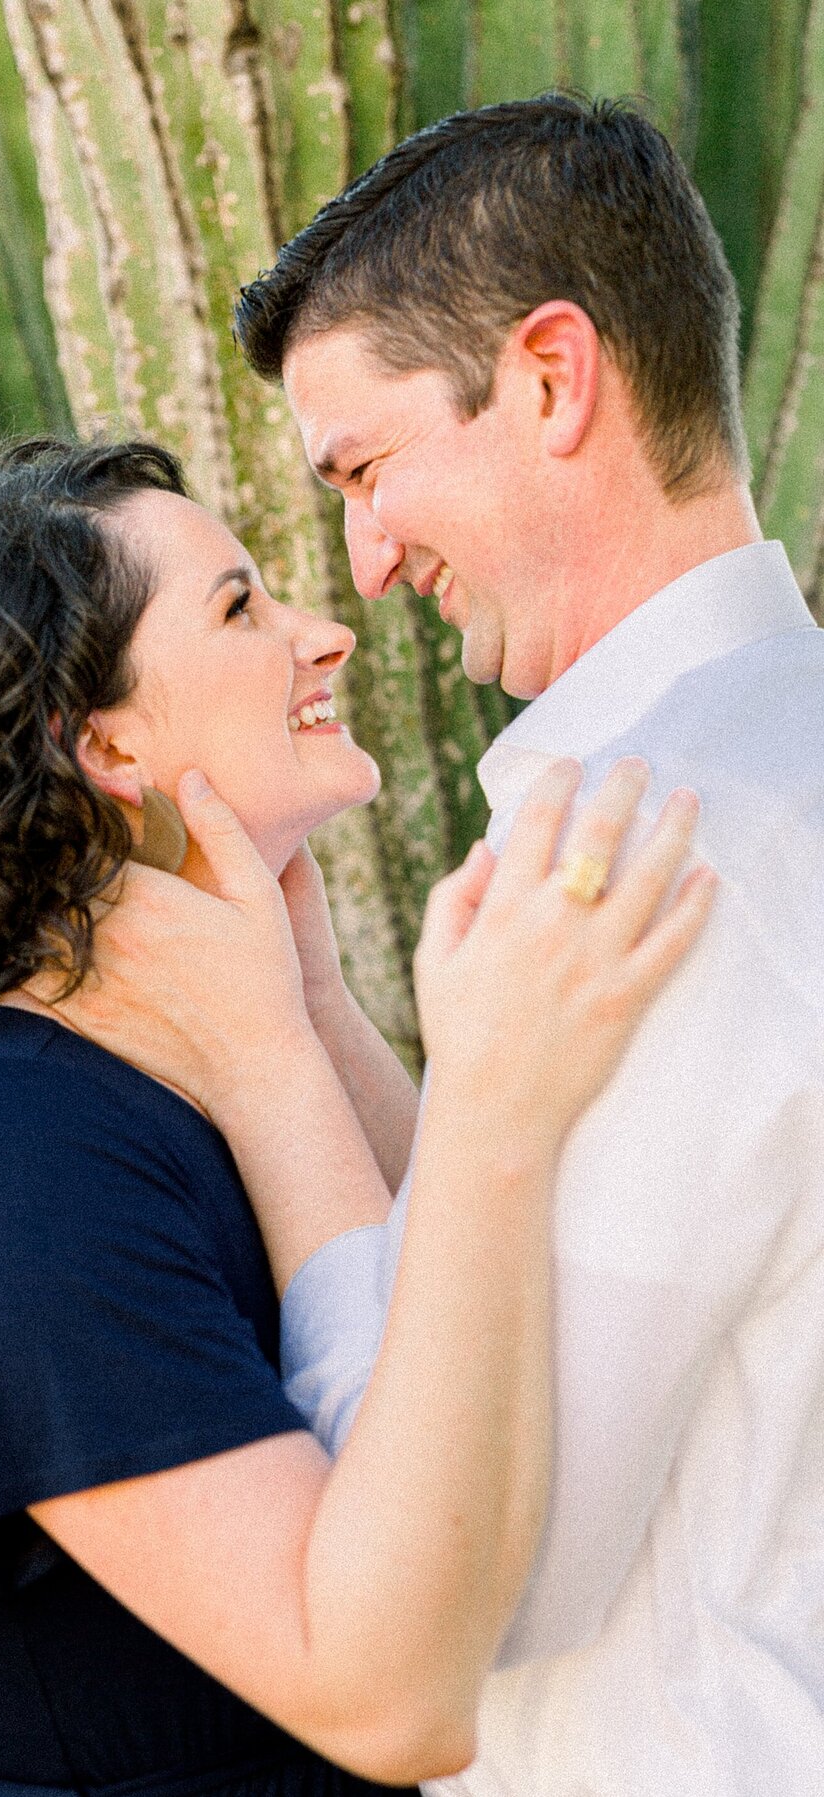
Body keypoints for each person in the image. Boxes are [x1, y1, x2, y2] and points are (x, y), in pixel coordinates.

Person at [61, 96, 824, 1797]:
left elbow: (485, 1575)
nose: (365, 559)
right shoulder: (786, 757)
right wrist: (337, 1014)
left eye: (366, 468)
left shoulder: (647, 850)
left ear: (553, 378)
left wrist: (271, 1057)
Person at [0, 438, 709, 1797]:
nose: (324, 635)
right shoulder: (11, 1171)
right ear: (104, 742)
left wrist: (309, 999)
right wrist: (436, 1075)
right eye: (239, 607)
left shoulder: (198, 1059)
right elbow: (393, 1696)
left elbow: (447, 1344)